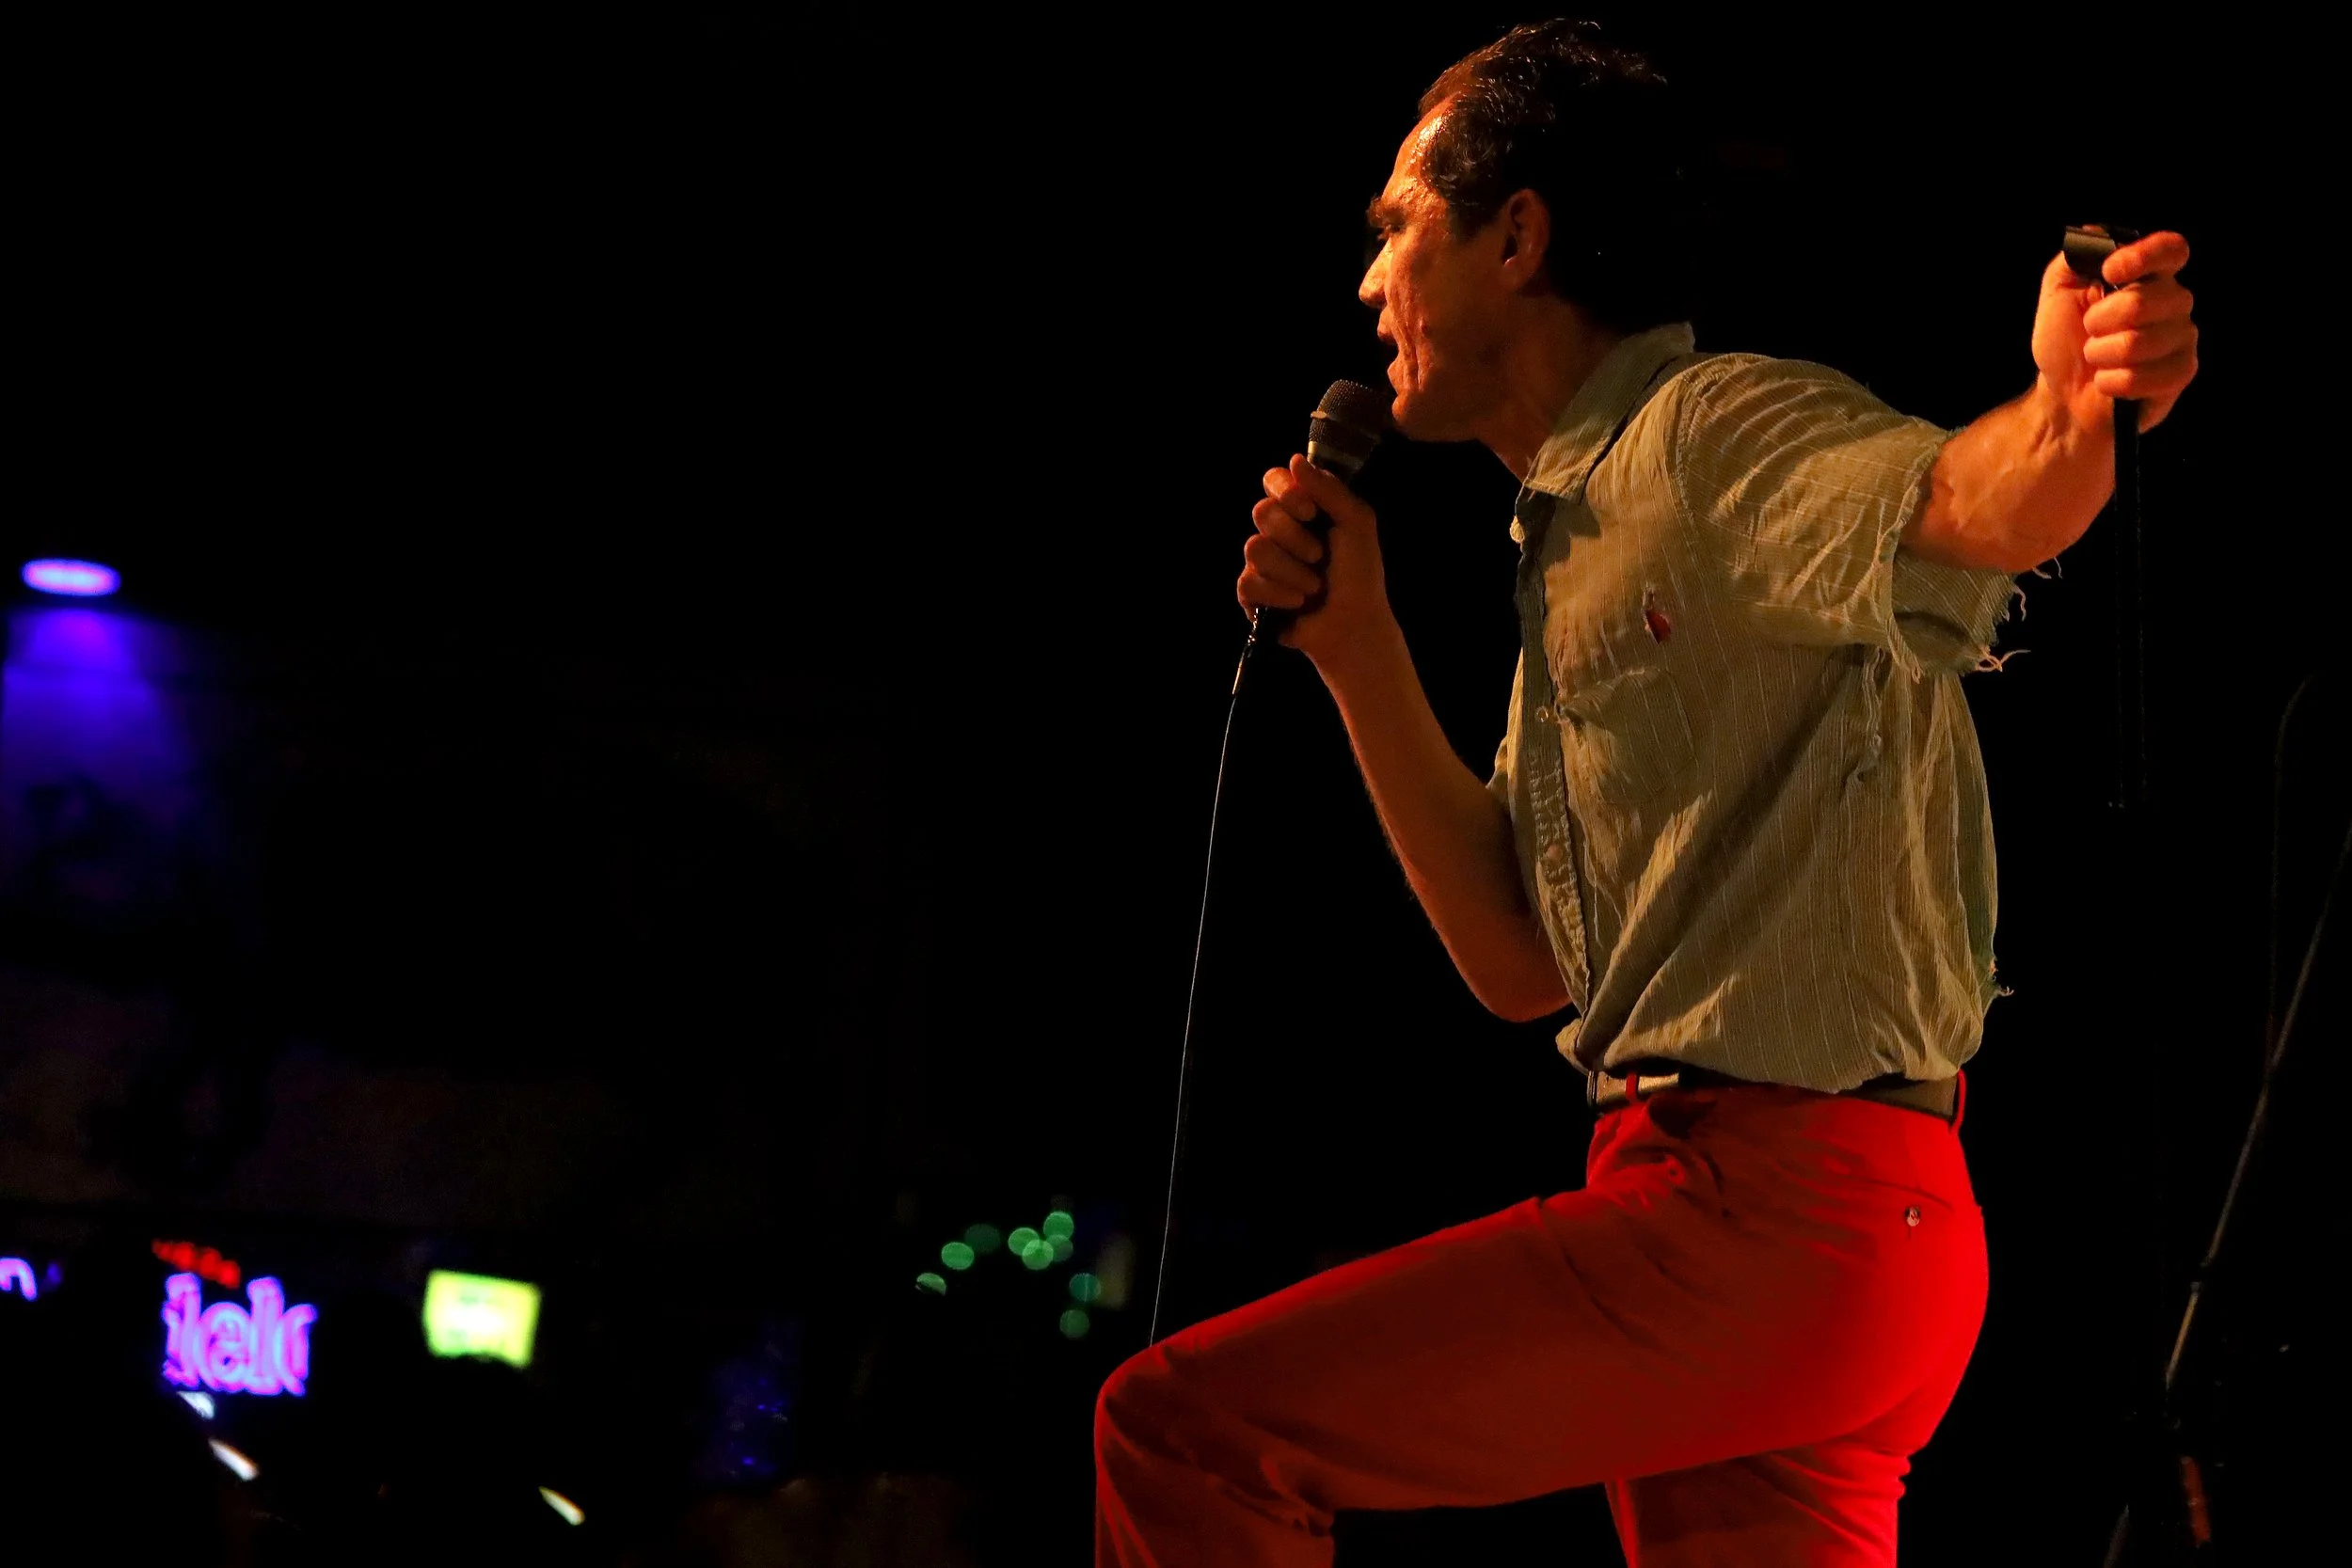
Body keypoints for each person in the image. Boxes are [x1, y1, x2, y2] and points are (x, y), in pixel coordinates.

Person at [1093, 21, 2198, 1568]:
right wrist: (1358, 648)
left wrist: (2073, 413)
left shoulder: (1704, 436)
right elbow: (1519, 959)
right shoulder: (1575, 545)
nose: (1369, 281)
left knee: (1186, 1431)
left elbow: (1966, 500)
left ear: (1517, 237)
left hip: (1764, 1218)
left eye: (1400, 227)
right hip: (1862, 1236)